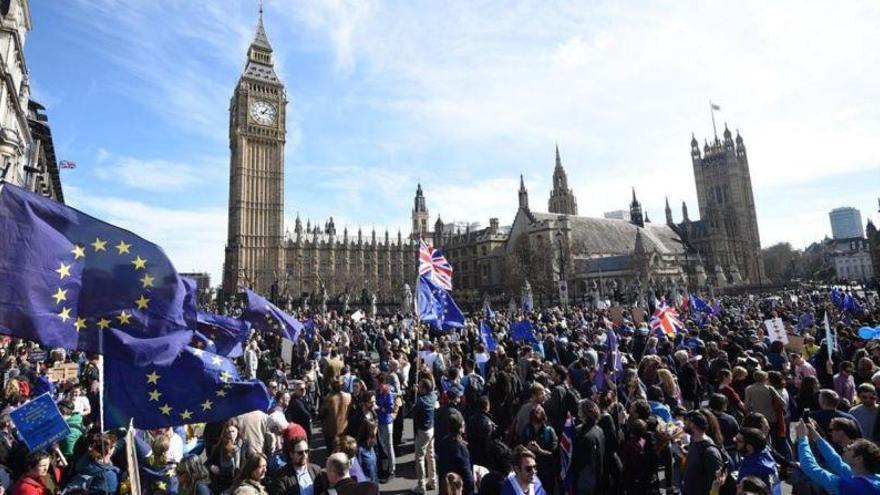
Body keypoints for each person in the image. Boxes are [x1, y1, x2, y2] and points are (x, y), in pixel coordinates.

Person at [795, 419, 880, 494]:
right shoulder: (869, 477)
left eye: (850, 449)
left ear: (858, 459)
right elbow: (836, 461)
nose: (846, 448)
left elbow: (810, 468)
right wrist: (816, 437)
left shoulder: (852, 485)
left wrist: (802, 439)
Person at [680, 410, 724, 495]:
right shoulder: (694, 441)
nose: (683, 426)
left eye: (685, 423)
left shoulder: (710, 452)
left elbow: (716, 483)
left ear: (692, 425)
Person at [208, 421, 253, 493]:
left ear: (238, 431)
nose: (231, 434)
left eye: (233, 431)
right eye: (228, 432)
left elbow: (251, 461)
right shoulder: (220, 446)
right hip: (223, 482)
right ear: (225, 433)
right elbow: (208, 463)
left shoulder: (245, 445)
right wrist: (212, 467)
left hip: (241, 482)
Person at [571, 399, 604, 494]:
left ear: (584, 414)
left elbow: (579, 462)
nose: (577, 411)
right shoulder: (599, 430)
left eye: (579, 409)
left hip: (585, 480)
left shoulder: (586, 437)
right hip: (596, 476)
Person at [733, 427, 780, 493]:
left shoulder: (749, 470)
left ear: (749, 447)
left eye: (739, 441)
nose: (734, 441)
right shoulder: (766, 453)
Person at [437, 412, 473, 495]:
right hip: (457, 488)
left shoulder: (443, 442)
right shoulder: (461, 448)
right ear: (460, 428)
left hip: (446, 487)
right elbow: (467, 475)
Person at [412, 378, 437, 495]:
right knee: (430, 455)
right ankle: (433, 481)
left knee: (420, 458)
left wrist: (415, 394)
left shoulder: (420, 402)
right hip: (431, 429)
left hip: (422, 432)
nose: (418, 387)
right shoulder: (432, 396)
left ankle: (421, 486)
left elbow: (413, 412)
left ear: (424, 389)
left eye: (420, 386)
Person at [319, 378, 352, 452]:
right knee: (344, 449)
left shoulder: (328, 398)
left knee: (332, 450)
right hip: (344, 429)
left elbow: (321, 414)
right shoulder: (348, 396)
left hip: (331, 431)